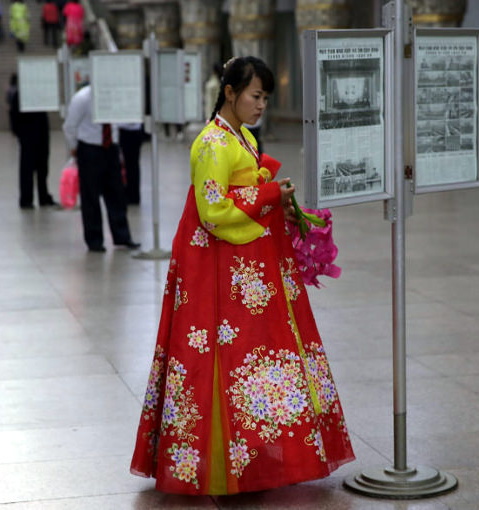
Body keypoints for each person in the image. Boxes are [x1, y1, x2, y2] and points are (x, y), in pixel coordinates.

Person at [129, 56, 355, 495]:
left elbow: (232, 196)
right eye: (255, 96)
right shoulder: (214, 143)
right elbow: (213, 209)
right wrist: (270, 193)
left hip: (239, 267)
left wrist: (278, 202)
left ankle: (248, 460)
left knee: (251, 360)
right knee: (221, 358)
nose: (260, 105)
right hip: (218, 269)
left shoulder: (240, 137)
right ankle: (218, 465)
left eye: (266, 98)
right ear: (230, 93)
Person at [62, 84, 139, 252]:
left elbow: (116, 124)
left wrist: (117, 149)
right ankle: (94, 240)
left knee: (117, 194)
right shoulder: (82, 98)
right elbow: (69, 126)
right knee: (90, 197)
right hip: (89, 148)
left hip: (110, 148)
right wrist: (74, 148)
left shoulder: (115, 97)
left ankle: (122, 236)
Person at [7, 73, 56, 210]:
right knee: (27, 169)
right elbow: (13, 115)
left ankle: (43, 196)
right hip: (27, 135)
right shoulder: (20, 95)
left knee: (43, 167)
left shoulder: (39, 94)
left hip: (41, 134)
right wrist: (19, 133)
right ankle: (26, 199)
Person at [117, 122, 143, 205]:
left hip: (130, 132)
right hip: (128, 131)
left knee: (131, 166)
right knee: (130, 166)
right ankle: (131, 194)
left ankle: (133, 196)